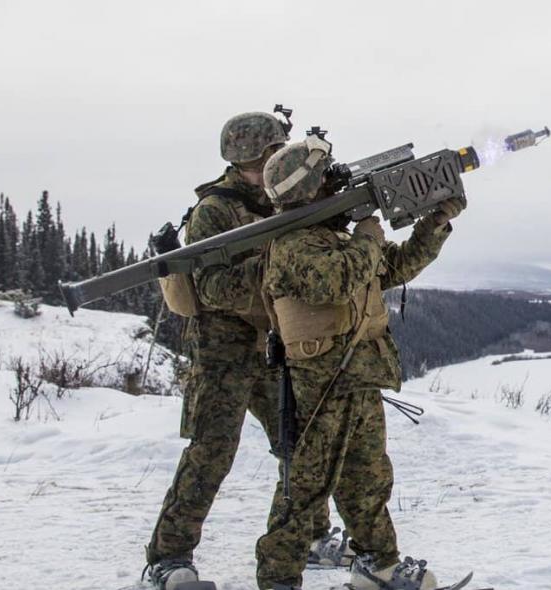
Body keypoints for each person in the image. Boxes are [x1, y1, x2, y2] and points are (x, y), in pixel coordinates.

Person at [144, 112, 349, 590]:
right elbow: (211, 288)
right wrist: (276, 269)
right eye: (270, 153)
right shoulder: (216, 210)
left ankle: (313, 537)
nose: (278, 159)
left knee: (299, 441)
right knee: (212, 450)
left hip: (271, 341)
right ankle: (168, 558)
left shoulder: (282, 195)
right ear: (248, 157)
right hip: (222, 346)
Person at [254, 139, 464, 590]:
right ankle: (277, 578)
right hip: (323, 378)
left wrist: (437, 220)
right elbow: (339, 279)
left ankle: (378, 564)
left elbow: (397, 266)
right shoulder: (292, 244)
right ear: (309, 189)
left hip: (358, 373)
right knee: (307, 484)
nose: (336, 183)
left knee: (367, 477)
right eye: (327, 178)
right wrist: (369, 233)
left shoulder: (333, 238)